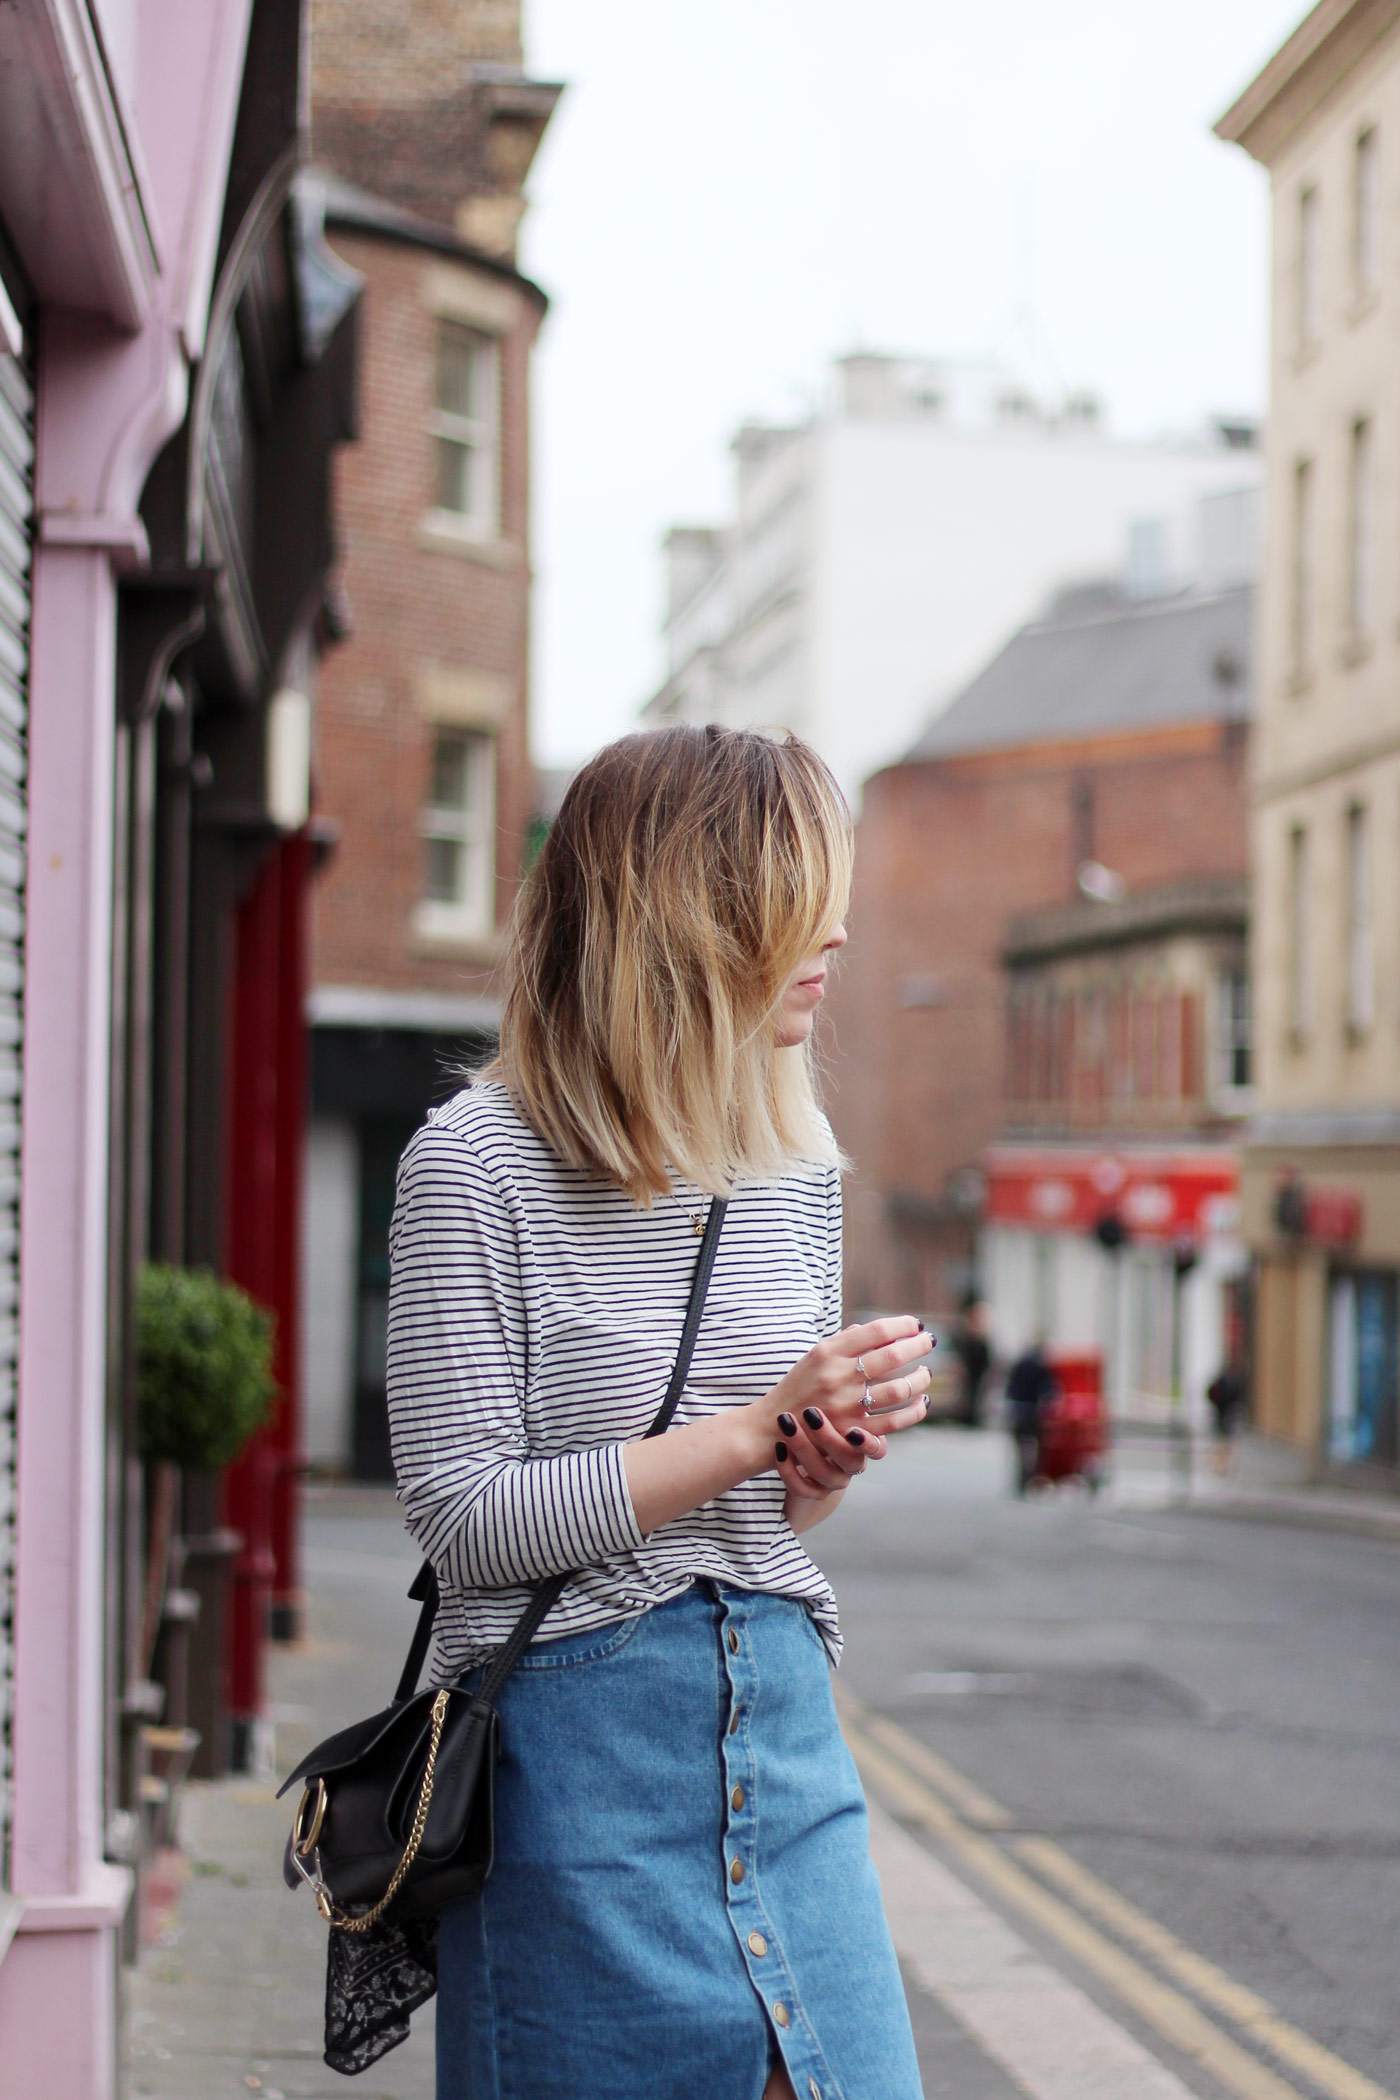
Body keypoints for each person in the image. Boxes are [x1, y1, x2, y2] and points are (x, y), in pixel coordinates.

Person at [387, 725, 931, 2100]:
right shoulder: (473, 1165)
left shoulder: (793, 1167)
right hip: (573, 1762)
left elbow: (769, 1512)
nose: (841, 933)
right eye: (798, 901)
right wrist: (757, 1426)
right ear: (689, 919)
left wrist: (826, 1451)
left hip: (782, 1721)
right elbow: (463, 1523)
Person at [1004, 1340, 1057, 1496]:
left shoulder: (1020, 1365)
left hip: (1019, 1409)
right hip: (1034, 1411)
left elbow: (1011, 1386)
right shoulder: (1042, 1367)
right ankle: (1032, 1476)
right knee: (1036, 1448)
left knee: (1021, 1448)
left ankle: (1023, 1478)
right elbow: (1049, 1388)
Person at [949, 1291, 993, 1428]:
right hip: (969, 1374)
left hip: (978, 1374)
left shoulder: (982, 1338)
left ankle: (973, 1416)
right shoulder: (964, 1336)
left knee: (977, 1393)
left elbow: (986, 1358)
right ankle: (967, 1416)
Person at [1206, 1361, 1247, 1475]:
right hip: (1229, 1416)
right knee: (1226, 1441)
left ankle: (1219, 1465)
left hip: (1220, 1415)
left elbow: (1209, 1394)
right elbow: (1238, 1398)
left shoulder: (1219, 1383)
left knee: (1221, 1441)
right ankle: (1222, 1465)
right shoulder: (1234, 1383)